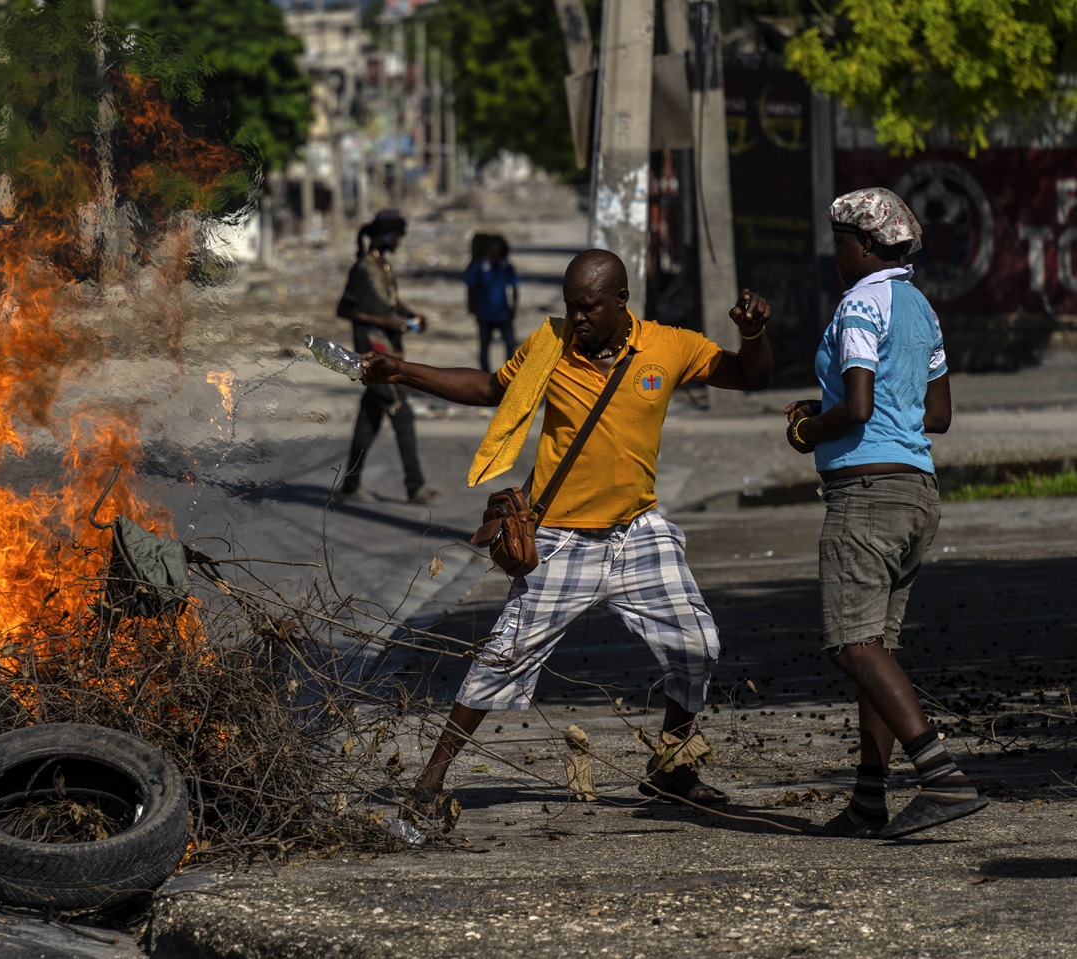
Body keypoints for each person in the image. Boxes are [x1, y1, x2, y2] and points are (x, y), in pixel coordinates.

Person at [361, 248, 774, 809]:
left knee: (698, 646)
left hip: (637, 532)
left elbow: (752, 375)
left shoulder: (670, 345)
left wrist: (753, 335)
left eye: (588, 307)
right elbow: (488, 388)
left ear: (621, 301)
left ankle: (671, 767)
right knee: (503, 656)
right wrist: (403, 370)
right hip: (560, 538)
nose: (576, 318)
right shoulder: (548, 345)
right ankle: (430, 782)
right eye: (569, 306)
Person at [783, 187, 987, 839]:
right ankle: (870, 799)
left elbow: (859, 407)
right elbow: (939, 414)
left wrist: (809, 429)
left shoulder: (859, 303)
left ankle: (941, 774)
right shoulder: (922, 308)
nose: (835, 254)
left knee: (851, 643)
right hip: (917, 491)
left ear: (864, 246)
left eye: (839, 241)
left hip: (867, 492)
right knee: (878, 646)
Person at [336, 209, 441, 506]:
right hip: (373, 356)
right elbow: (343, 310)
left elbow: (390, 302)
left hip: (390, 352)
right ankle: (415, 487)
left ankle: (350, 486)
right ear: (385, 235)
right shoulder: (361, 268)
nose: (400, 240)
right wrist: (385, 323)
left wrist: (410, 314)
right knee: (402, 413)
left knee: (367, 421)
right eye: (397, 234)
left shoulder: (384, 267)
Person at [464, 235, 520, 372]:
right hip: (484, 314)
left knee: (510, 344)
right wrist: (472, 307)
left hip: (503, 314)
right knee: (484, 347)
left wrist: (513, 308)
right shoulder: (479, 268)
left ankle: (509, 373)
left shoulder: (506, 267)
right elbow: (471, 288)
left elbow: (514, 288)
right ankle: (485, 373)